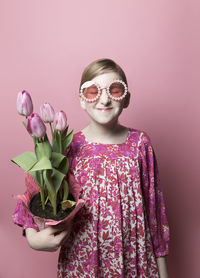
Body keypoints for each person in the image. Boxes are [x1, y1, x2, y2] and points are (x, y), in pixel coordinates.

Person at [12, 58, 170, 277]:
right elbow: (34, 196)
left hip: (134, 260)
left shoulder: (140, 144)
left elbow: (155, 213)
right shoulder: (68, 147)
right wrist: (33, 238)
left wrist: (163, 273)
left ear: (126, 99)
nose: (104, 99)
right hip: (83, 262)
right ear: (81, 100)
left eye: (115, 90)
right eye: (93, 91)